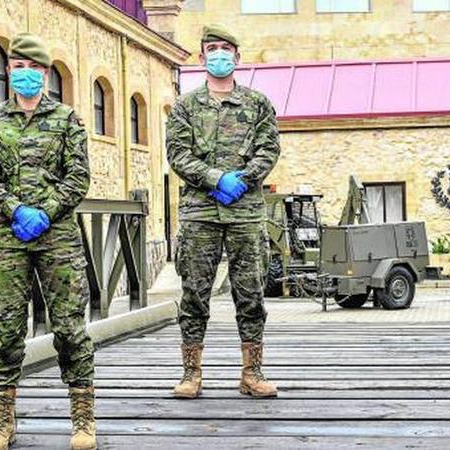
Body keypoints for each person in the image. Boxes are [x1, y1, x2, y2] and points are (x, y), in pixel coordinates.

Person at [0, 33, 96, 450]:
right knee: (7, 330)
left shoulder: (67, 119)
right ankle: (2, 424)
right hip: (9, 238)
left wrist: (45, 210)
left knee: (69, 328)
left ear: (46, 74)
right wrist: (15, 210)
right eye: (18, 68)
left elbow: (78, 176)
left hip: (58, 236)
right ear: (8, 71)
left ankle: (82, 421)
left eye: (34, 69)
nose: (26, 75)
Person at [166, 24, 280, 399]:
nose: (219, 54)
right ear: (201, 58)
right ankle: (191, 373)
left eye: (225, 48)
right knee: (194, 293)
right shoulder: (184, 106)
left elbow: (268, 150)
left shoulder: (258, 104)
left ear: (237, 57)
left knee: (250, 294)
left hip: (245, 213)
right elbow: (178, 155)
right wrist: (217, 179)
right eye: (212, 48)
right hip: (200, 213)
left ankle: (252, 372)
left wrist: (243, 180)